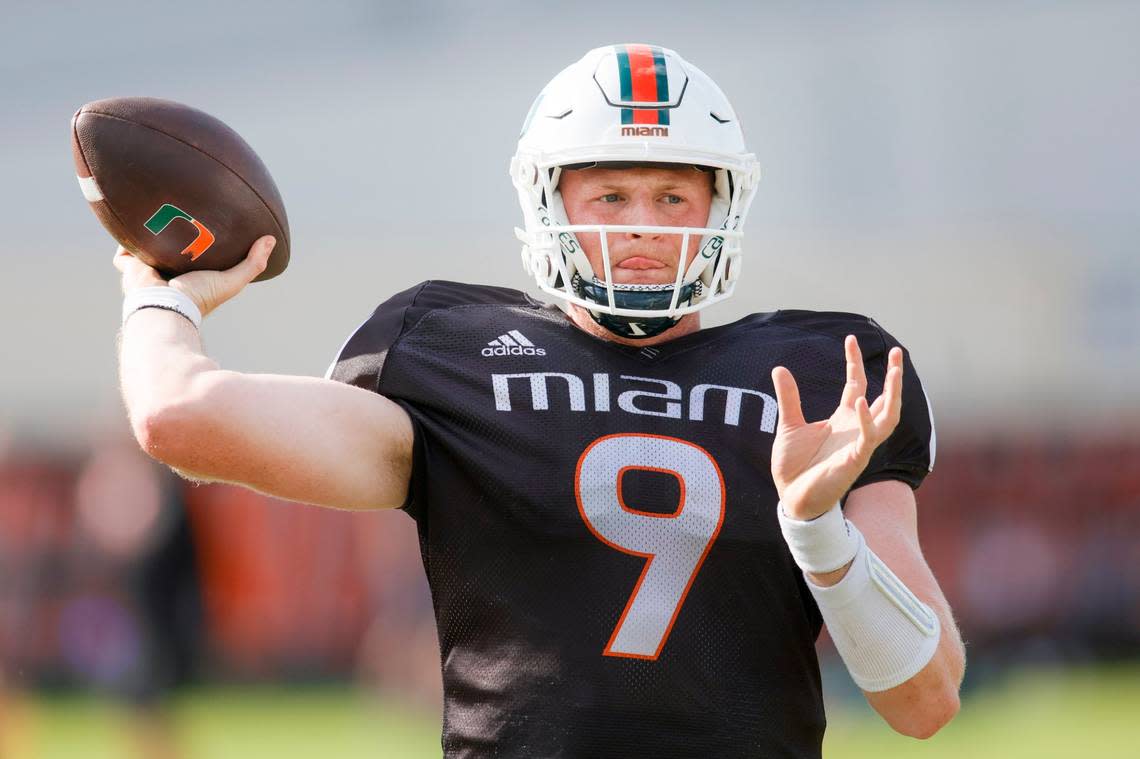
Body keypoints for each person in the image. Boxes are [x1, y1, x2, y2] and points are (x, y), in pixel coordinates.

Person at [115, 44, 964, 757]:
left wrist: (819, 528)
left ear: (721, 205)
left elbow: (924, 702)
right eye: (610, 196)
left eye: (673, 195)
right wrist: (161, 294)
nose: (643, 226)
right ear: (549, 200)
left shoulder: (818, 375)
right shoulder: (452, 352)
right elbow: (178, 419)